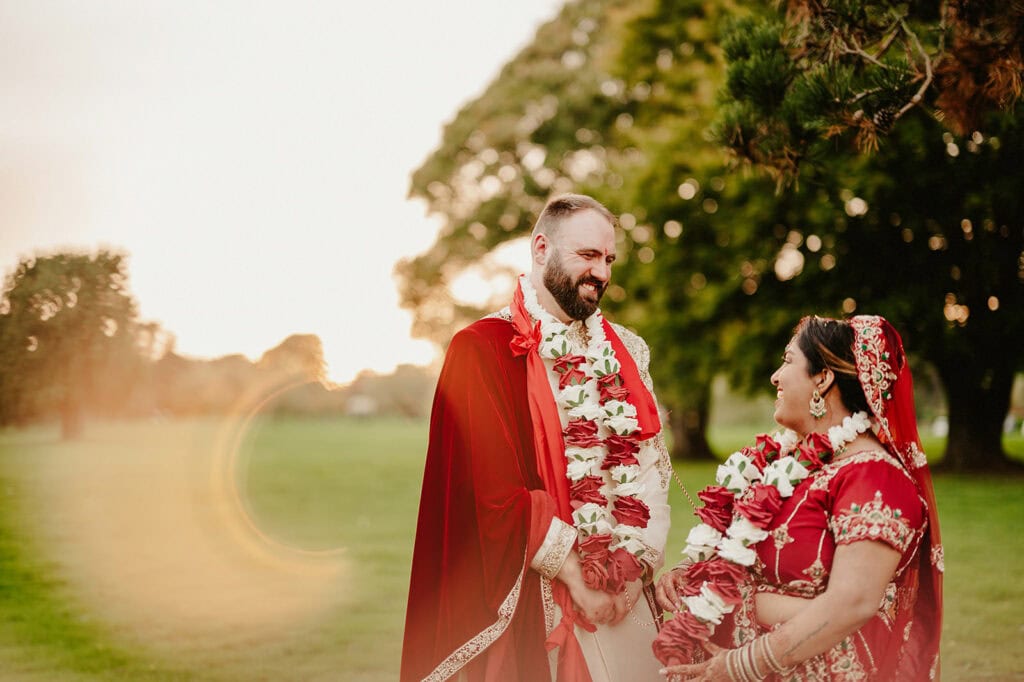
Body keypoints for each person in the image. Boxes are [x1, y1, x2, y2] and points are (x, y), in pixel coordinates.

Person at [401, 194, 673, 682]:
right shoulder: (480, 349)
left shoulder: (628, 349)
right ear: (541, 247)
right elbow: (493, 493)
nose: (603, 274)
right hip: (541, 597)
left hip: (626, 599)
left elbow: (650, 467)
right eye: (588, 256)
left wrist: (637, 569)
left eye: (609, 259)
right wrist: (579, 579)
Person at [655, 315, 942, 681]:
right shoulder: (781, 461)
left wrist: (743, 664)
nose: (775, 376)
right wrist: (689, 574)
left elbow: (853, 602)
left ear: (823, 378)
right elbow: (738, 556)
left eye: (788, 361)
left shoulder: (874, 477)